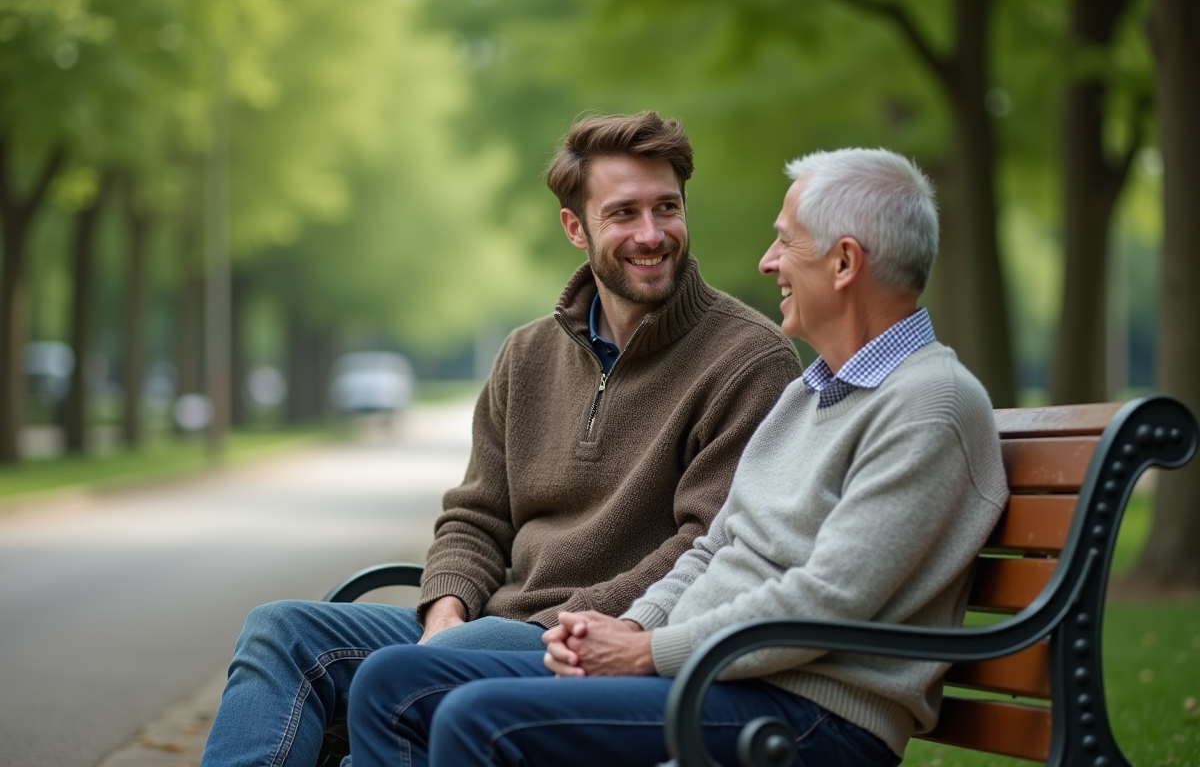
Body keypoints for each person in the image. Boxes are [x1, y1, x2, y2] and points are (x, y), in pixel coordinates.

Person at [342, 147, 1011, 767]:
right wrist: (629, 626)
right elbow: (714, 546)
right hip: (719, 676)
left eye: (784, 240)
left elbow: (826, 601)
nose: (767, 262)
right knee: (391, 683)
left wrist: (643, 651)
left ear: (843, 263)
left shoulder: (930, 404)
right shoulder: (813, 396)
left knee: (474, 718)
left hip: (809, 713)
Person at [199, 111, 802, 767]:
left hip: (610, 641)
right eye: (624, 213)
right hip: (492, 624)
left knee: (414, 680)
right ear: (576, 227)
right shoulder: (526, 354)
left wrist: (545, 625)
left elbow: (711, 545)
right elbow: (475, 515)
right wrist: (446, 610)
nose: (652, 235)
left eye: (667, 208)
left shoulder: (748, 359)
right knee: (281, 631)